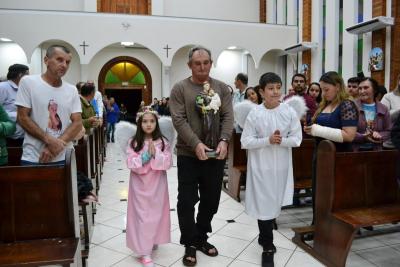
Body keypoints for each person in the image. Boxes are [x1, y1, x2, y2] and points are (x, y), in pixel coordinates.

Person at [169, 45, 234, 266]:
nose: (202, 67)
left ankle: (201, 237)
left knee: (211, 200)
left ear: (211, 63)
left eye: (206, 62)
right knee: (187, 201)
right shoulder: (180, 88)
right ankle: (189, 242)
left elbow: (227, 117)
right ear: (190, 65)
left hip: (216, 154)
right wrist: (196, 144)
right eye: (197, 63)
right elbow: (179, 120)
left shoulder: (222, 89)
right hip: (188, 154)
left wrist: (225, 140)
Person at [241, 72, 302, 267]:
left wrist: (281, 140)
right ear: (261, 91)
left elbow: (297, 139)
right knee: (263, 203)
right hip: (260, 166)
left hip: (281, 166)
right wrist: (267, 140)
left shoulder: (288, 112)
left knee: (273, 203)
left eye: (278, 87)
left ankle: (263, 235)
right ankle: (268, 245)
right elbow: (245, 141)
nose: (275, 92)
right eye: (270, 88)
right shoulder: (255, 113)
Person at [304, 71, 358, 235]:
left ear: (338, 87)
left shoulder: (347, 105)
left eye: (326, 89)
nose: (323, 93)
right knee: (319, 193)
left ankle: (333, 229)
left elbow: (349, 135)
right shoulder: (324, 105)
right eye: (322, 89)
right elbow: (317, 128)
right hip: (320, 155)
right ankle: (318, 225)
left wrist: (318, 130)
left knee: (332, 195)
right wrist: (310, 129)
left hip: (337, 157)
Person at [15, 45, 82, 165]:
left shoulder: (71, 90)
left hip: (64, 157)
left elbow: (77, 123)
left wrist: (56, 145)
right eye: (59, 60)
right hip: (34, 156)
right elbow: (22, 117)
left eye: (67, 62)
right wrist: (49, 140)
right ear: (46, 60)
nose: (64, 65)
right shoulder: (28, 83)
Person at [125, 107, 172, 267]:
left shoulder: (163, 142)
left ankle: (152, 240)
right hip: (140, 186)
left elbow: (168, 162)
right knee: (143, 216)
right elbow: (130, 162)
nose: (148, 124)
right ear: (139, 123)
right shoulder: (134, 142)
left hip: (158, 184)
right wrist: (144, 157)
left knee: (156, 214)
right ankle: (144, 252)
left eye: (152, 121)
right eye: (145, 121)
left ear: (156, 123)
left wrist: (156, 154)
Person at [353, 77, 391, 148]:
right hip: (355, 150)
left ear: (375, 90)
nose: (362, 91)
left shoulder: (383, 108)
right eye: (360, 88)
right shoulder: (351, 106)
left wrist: (380, 135)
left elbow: (388, 130)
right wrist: (362, 137)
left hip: (376, 151)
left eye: (366, 88)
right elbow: (346, 130)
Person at [0, 63, 29, 146]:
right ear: (20, 75)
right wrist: (18, 116)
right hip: (8, 138)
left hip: (23, 136)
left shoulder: (23, 89)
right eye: (27, 75)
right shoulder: (3, 87)